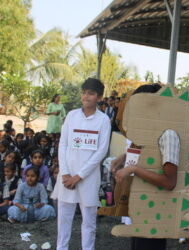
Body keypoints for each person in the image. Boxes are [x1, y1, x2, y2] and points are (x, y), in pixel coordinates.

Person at [111, 83, 178, 250]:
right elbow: (148, 159)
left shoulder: (168, 134)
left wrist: (133, 169)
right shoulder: (150, 131)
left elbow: (169, 182)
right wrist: (124, 157)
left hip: (155, 212)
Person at [51, 78, 111, 250]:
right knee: (63, 220)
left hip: (88, 178)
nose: (86, 96)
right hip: (66, 177)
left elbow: (101, 151)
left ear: (99, 97)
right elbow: (63, 144)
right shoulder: (71, 115)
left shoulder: (103, 120)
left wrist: (79, 176)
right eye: (84, 92)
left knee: (89, 223)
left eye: (91, 94)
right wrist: (66, 173)